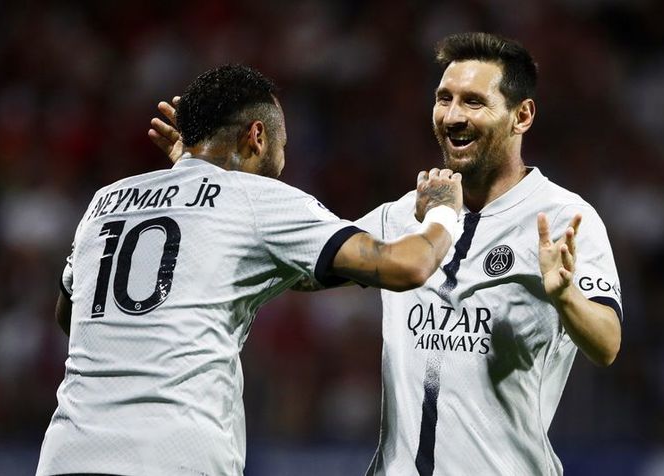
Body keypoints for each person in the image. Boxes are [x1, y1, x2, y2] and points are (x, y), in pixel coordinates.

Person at [150, 33, 623, 475]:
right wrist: (204, 174)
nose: (452, 116)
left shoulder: (562, 218)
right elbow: (293, 266)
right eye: (444, 98)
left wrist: (566, 298)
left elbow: (606, 344)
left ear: (522, 116)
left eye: (473, 102)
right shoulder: (403, 216)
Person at [36, 64, 464, 476]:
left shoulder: (105, 201)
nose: (283, 161)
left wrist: (187, 178)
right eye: (283, 147)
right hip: (170, 457)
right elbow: (408, 265)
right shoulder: (254, 197)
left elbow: (71, 317)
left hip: (65, 456)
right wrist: (444, 211)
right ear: (257, 136)